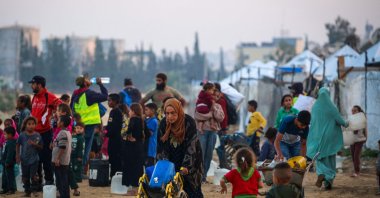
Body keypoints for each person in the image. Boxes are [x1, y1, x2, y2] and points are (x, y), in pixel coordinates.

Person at [158, 98, 204, 197]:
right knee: (171, 191)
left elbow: (191, 146)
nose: (170, 116)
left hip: (191, 161)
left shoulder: (188, 122)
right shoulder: (163, 124)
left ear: (179, 111)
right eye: (167, 113)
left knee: (191, 190)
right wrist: (163, 164)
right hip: (172, 161)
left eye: (173, 113)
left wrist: (186, 166)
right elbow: (161, 147)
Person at [307, 87, 348, 190]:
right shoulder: (331, 107)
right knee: (330, 158)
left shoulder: (315, 107)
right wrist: (347, 123)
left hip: (317, 137)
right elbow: (341, 121)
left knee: (320, 158)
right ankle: (328, 180)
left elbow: (313, 122)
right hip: (330, 138)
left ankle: (322, 174)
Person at [71, 76, 108, 177]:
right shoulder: (89, 94)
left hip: (78, 125)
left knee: (77, 147)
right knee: (86, 148)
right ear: (85, 83)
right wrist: (100, 84)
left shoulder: (75, 93)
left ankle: (75, 170)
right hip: (89, 125)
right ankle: (82, 171)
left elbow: (71, 108)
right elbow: (105, 96)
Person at [29, 75, 62, 185]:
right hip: (34, 133)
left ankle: (49, 181)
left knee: (46, 159)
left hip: (45, 133)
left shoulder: (50, 96)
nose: (32, 86)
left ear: (39, 85)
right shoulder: (34, 97)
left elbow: (62, 107)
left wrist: (56, 118)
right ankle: (37, 183)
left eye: (33, 84)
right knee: (35, 159)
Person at [194, 90, 225, 182]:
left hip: (213, 132)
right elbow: (197, 116)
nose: (215, 98)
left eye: (217, 96)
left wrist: (213, 109)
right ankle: (198, 175)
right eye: (213, 96)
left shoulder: (218, 106)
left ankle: (204, 176)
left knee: (209, 155)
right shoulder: (201, 105)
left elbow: (220, 118)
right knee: (201, 154)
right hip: (202, 131)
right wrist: (210, 115)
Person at [122, 103, 146, 196]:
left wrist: (128, 135)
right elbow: (147, 133)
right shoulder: (142, 120)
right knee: (137, 168)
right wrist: (139, 138)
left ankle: (132, 190)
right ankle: (137, 189)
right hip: (139, 147)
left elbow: (129, 130)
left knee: (130, 167)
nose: (129, 112)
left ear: (134, 111)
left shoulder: (133, 119)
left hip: (132, 148)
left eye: (130, 110)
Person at [16, 116, 43, 197]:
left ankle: (34, 190)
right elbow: (17, 145)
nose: (31, 126)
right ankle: (27, 191)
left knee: (33, 176)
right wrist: (17, 155)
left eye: (33, 124)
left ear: (35, 125)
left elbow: (41, 147)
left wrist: (35, 144)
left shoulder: (37, 135)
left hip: (34, 159)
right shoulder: (22, 135)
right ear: (25, 125)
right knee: (25, 176)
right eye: (29, 124)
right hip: (24, 159)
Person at [52, 115, 72, 198]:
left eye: (59, 121)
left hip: (60, 161)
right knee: (63, 179)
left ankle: (64, 195)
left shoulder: (63, 133)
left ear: (62, 123)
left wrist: (57, 158)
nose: (57, 122)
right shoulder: (67, 132)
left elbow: (62, 147)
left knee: (61, 180)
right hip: (63, 161)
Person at [106, 94, 123, 177]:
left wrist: (107, 133)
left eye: (110, 100)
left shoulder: (116, 112)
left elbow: (115, 127)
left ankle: (115, 176)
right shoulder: (113, 111)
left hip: (115, 140)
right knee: (112, 158)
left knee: (115, 158)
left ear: (115, 101)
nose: (108, 102)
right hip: (112, 138)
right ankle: (113, 175)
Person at [214, 83, 229, 169]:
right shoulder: (218, 100)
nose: (213, 92)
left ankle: (224, 165)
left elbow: (223, 116)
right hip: (218, 128)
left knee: (220, 148)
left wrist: (224, 128)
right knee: (219, 147)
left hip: (220, 128)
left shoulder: (221, 100)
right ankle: (223, 164)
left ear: (218, 91)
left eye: (215, 90)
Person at [350, 105, 367, 177]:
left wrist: (366, 138)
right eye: (352, 110)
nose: (353, 112)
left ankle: (357, 172)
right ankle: (356, 170)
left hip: (360, 140)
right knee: (353, 156)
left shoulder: (362, 119)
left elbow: (365, 130)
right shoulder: (351, 119)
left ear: (359, 111)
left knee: (356, 156)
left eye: (355, 110)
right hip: (352, 140)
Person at [0, 127, 17, 195]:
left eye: (5, 134)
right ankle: (5, 189)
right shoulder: (7, 142)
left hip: (8, 163)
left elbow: (10, 153)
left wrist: (8, 162)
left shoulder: (11, 143)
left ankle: (11, 189)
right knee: (4, 176)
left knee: (9, 176)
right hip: (5, 162)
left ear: (10, 135)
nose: (4, 136)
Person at [69, 122, 84, 196]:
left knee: (75, 172)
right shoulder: (73, 136)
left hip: (76, 158)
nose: (78, 130)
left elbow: (81, 149)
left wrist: (79, 157)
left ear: (83, 130)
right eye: (77, 128)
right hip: (70, 156)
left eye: (80, 128)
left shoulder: (81, 138)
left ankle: (75, 188)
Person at [144, 103, 159, 167]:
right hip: (146, 147)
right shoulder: (147, 120)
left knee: (149, 167)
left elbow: (149, 133)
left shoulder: (153, 121)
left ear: (152, 110)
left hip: (150, 148)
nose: (145, 111)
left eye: (146, 110)